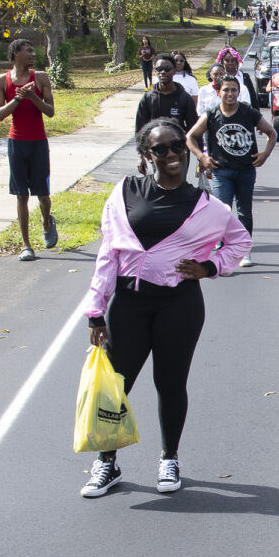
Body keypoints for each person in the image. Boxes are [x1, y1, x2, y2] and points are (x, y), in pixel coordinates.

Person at [78, 118, 252, 498]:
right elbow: (107, 255)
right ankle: (107, 463)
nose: (171, 154)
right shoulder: (125, 193)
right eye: (161, 149)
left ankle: (169, 457)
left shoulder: (208, 206)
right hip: (129, 304)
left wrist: (209, 267)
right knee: (116, 385)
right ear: (146, 155)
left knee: (170, 384)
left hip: (179, 305)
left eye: (177, 146)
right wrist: (96, 311)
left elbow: (241, 242)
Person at [185, 74, 276, 237]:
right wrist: (202, 157)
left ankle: (243, 248)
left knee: (244, 212)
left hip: (246, 170)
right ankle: (222, 246)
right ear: (218, 92)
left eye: (234, 90)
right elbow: (190, 137)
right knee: (222, 211)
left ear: (239, 92)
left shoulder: (248, 112)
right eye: (226, 89)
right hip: (221, 171)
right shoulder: (211, 114)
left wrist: (265, 154)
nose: (230, 93)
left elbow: (272, 132)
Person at [0, 38, 57, 261]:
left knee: (43, 196)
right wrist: (19, 99)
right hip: (16, 143)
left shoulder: (40, 78)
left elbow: (50, 112)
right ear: (16, 53)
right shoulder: (2, 80)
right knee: (21, 195)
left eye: (33, 50)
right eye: (28, 50)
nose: (33, 54)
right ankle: (26, 245)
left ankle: (47, 221)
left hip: (38, 142)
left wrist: (32, 96)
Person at [135, 54, 198, 132]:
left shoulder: (185, 98)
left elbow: (193, 129)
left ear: (174, 71)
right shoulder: (148, 98)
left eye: (167, 69)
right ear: (155, 71)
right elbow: (140, 129)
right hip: (154, 142)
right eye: (159, 69)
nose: (163, 72)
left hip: (177, 142)